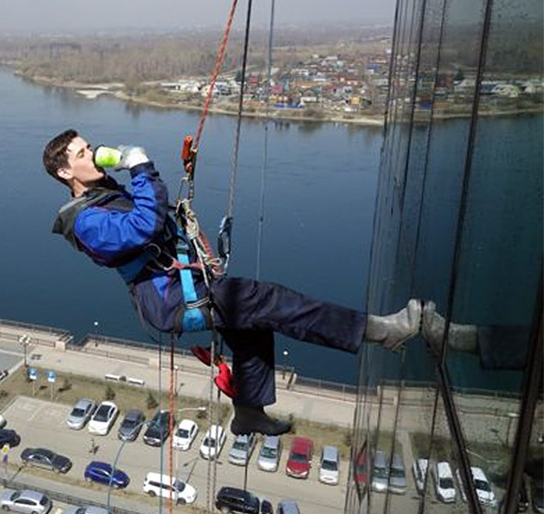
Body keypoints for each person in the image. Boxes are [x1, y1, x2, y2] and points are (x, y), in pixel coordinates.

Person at [42, 129, 422, 436]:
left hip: (181, 286)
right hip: (172, 299)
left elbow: (152, 220)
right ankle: (380, 331)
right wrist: (141, 169)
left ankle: (249, 412)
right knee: (269, 299)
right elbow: (144, 226)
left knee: (253, 326)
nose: (91, 155)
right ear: (65, 173)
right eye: (81, 154)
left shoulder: (106, 195)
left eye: (89, 147)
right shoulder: (86, 221)